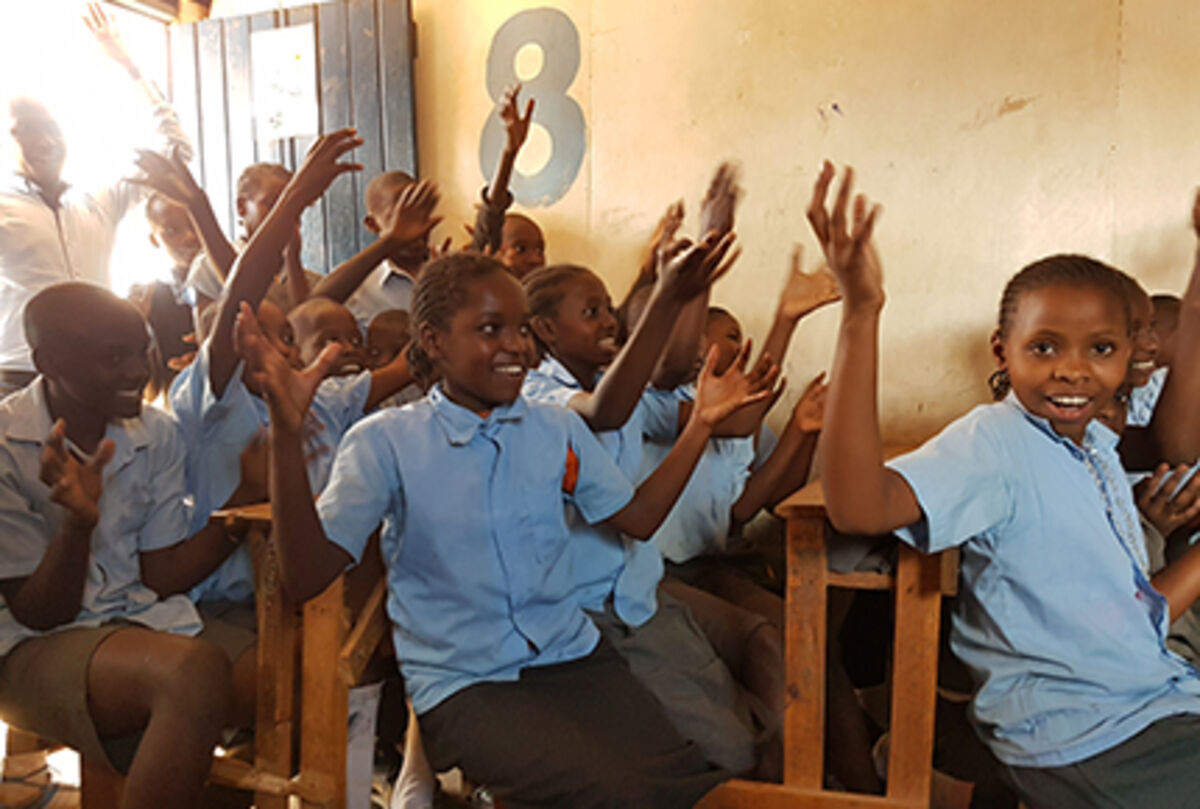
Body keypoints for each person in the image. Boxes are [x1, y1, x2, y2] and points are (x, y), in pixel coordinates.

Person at [241, 250, 777, 809]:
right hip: (466, 683)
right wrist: (285, 430)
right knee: (616, 792)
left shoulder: (554, 428)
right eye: (489, 329)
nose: (515, 346)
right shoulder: (386, 443)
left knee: (685, 780)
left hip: (572, 656)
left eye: (521, 330)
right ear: (433, 341)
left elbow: (638, 519)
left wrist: (704, 425)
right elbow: (305, 577)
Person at [811, 160, 1200, 809]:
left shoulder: (1095, 451)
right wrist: (861, 311)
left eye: (1099, 349)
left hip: (1147, 701)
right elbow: (857, 506)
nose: (1073, 370)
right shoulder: (994, 442)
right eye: (1045, 347)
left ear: (1131, 356)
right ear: (1002, 351)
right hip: (1084, 735)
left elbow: (1125, 617)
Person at [520, 240, 786, 779]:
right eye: (590, 313)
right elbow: (604, 417)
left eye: (607, 311)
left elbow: (718, 409)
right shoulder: (538, 398)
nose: (608, 323)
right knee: (726, 753)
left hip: (641, 598)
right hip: (587, 613)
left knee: (751, 725)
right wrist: (700, 423)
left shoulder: (628, 389)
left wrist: (693, 290)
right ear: (546, 331)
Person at [0, 283, 244, 809]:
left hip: (137, 620)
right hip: (26, 646)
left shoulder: (156, 433)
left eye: (144, 351)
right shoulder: (5, 444)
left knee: (279, 675)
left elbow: (159, 575)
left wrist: (244, 506)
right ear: (48, 361)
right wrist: (75, 524)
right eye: (114, 357)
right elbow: (39, 612)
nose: (138, 371)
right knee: (191, 674)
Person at [0, 3, 192, 396]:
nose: (45, 141)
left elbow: (176, 154)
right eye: (26, 132)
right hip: (19, 376)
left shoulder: (98, 201)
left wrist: (129, 67)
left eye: (52, 128)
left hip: (95, 372)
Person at [309, 173, 440, 331]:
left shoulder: (446, 267)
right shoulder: (356, 283)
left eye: (421, 216)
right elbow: (311, 308)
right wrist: (389, 242)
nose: (413, 227)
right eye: (396, 218)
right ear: (372, 224)